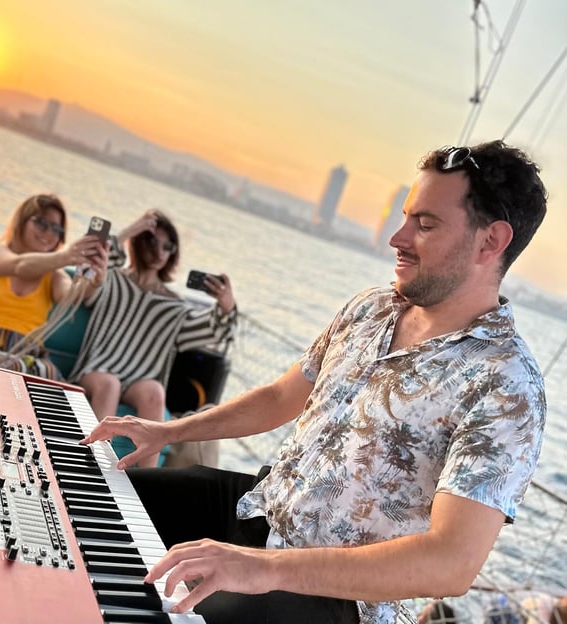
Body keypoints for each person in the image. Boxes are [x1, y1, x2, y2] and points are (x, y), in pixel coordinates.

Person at [82, 141, 548, 624]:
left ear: (490, 242)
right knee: (85, 502)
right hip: (256, 509)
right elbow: (282, 396)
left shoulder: (506, 384)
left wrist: (265, 568)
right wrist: (167, 432)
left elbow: (451, 564)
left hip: (332, 595)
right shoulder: (371, 307)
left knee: (158, 616)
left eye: (425, 225)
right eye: (406, 217)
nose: (397, 237)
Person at [69, 210, 237, 467]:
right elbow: (96, 258)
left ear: (173, 253)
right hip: (98, 369)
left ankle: (149, 481)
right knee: (110, 384)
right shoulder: (111, 278)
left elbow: (214, 330)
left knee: (155, 391)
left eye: (167, 246)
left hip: (139, 379)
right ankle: (92, 464)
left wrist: (226, 307)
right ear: (137, 241)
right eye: (151, 241)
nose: (160, 251)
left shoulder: (174, 305)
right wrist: (132, 229)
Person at [0, 193, 108, 379]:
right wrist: (65, 257)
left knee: (54, 382)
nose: (48, 233)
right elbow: (20, 266)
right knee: (12, 368)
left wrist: (95, 280)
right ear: (22, 221)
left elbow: (71, 294)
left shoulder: (54, 274)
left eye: (56, 228)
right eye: (41, 223)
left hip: (28, 352)